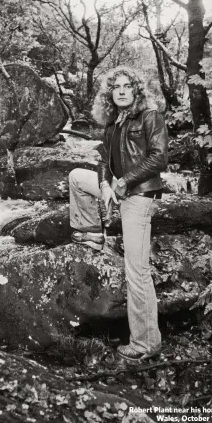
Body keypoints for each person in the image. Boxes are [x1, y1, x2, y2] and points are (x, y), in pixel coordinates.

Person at [69, 65, 168, 362]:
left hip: (140, 196)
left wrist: (124, 182)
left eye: (128, 86)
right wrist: (105, 184)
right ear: (110, 93)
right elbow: (103, 160)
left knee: (136, 272)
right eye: (117, 87)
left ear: (136, 91)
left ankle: (146, 343)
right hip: (118, 191)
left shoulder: (150, 117)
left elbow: (159, 158)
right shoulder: (113, 124)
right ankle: (92, 233)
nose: (122, 90)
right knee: (76, 176)